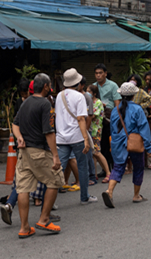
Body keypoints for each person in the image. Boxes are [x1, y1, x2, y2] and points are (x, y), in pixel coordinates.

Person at [12, 73, 64, 238]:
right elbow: (48, 132)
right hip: (39, 151)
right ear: (47, 87)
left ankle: (24, 227)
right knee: (55, 179)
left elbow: (15, 124)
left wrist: (19, 137)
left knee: (23, 189)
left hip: (24, 152)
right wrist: (55, 156)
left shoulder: (25, 102)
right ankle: (44, 218)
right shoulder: (45, 104)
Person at [101, 82, 151, 208]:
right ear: (133, 95)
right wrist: (149, 147)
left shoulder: (115, 110)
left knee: (118, 167)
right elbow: (144, 129)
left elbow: (112, 128)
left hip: (118, 141)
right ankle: (136, 195)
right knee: (138, 168)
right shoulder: (137, 109)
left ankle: (109, 191)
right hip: (134, 141)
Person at [55, 69, 97, 205]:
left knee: (57, 168)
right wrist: (86, 138)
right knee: (82, 166)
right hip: (77, 137)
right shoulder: (80, 97)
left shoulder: (59, 96)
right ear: (79, 83)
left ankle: (49, 200)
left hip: (61, 137)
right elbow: (80, 118)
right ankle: (84, 197)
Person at [94, 64, 121, 170]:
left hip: (110, 118)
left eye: (100, 73)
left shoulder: (113, 85)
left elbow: (117, 103)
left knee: (112, 143)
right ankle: (105, 169)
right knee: (102, 144)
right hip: (98, 119)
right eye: (96, 73)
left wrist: (117, 118)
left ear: (105, 73)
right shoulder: (94, 86)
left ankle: (115, 167)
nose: (98, 75)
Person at [88, 84, 111, 183]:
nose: (87, 93)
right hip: (89, 130)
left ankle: (108, 173)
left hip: (95, 130)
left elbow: (92, 116)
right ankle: (94, 174)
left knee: (97, 152)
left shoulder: (98, 103)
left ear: (94, 93)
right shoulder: (88, 103)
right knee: (93, 154)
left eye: (89, 91)